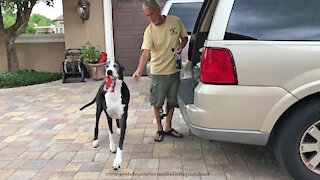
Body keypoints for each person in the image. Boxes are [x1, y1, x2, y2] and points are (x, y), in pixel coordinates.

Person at [132, 0, 188, 142]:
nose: (150, 17)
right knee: (157, 103)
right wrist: (139, 70)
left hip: (174, 71)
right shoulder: (149, 31)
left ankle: (168, 127)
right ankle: (159, 128)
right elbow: (146, 53)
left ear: (159, 10)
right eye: (147, 15)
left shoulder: (175, 21)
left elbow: (185, 37)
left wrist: (181, 46)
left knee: (172, 101)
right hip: (158, 73)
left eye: (152, 14)